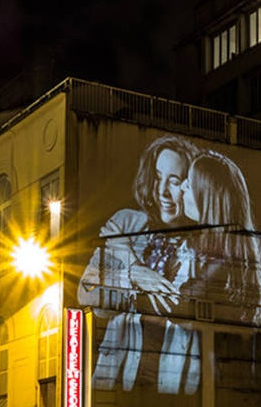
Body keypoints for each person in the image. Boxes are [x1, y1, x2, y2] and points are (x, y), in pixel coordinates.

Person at [77, 135, 200, 392]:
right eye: (157, 177)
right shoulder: (126, 223)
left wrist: (127, 257)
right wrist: (133, 274)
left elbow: (175, 305)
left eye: (174, 181)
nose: (162, 191)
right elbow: (86, 294)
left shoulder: (203, 245)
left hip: (174, 385)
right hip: (117, 379)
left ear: (190, 187)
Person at [156, 151, 261, 394]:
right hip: (195, 384)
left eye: (189, 183)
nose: (183, 186)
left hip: (201, 387)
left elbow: (177, 305)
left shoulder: (221, 262)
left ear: (206, 197)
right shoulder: (208, 251)